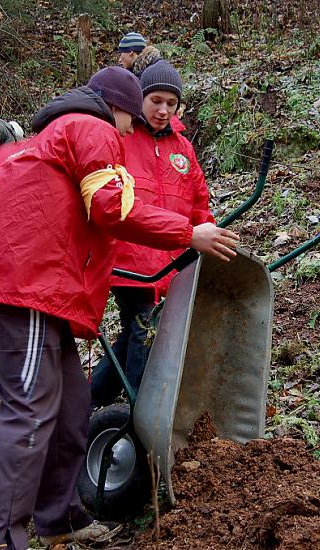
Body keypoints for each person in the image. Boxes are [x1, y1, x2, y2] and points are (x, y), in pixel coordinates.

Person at [0, 66, 239, 550]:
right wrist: (187, 234)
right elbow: (110, 208)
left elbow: (6, 171)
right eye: (132, 118)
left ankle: (59, 518)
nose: (131, 132)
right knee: (29, 412)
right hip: (25, 289)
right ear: (122, 107)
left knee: (70, 410)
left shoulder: (59, 131)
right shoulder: (93, 128)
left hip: (46, 295)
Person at [89, 60, 213, 409]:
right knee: (144, 332)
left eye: (170, 103)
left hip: (172, 261)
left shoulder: (182, 149)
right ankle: (140, 411)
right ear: (140, 98)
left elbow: (198, 202)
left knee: (135, 334)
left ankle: (87, 402)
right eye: (155, 100)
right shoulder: (123, 138)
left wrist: (209, 232)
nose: (163, 110)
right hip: (130, 262)